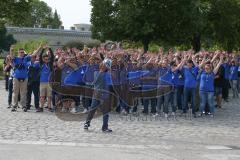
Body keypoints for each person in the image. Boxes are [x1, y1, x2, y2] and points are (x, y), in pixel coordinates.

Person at [84, 59, 113, 133]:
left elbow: (112, 78)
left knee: (105, 112)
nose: (104, 66)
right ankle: (87, 123)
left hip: (103, 94)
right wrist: (105, 69)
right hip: (98, 94)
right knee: (93, 110)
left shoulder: (107, 74)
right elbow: (96, 80)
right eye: (104, 65)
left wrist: (108, 68)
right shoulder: (96, 72)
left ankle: (104, 127)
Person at [10, 46, 32, 112]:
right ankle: (14, 105)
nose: (22, 53)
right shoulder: (16, 58)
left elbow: (34, 54)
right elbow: (11, 56)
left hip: (25, 77)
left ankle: (23, 106)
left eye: (23, 52)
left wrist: (40, 47)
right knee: (15, 92)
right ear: (18, 52)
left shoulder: (26, 58)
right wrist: (11, 50)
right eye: (20, 52)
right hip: (16, 77)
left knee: (23, 93)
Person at [37, 46, 54, 112]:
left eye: (47, 59)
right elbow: (40, 56)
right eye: (45, 59)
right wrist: (43, 49)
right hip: (42, 82)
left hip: (49, 82)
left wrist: (49, 48)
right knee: (42, 96)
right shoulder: (41, 64)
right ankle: (41, 107)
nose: (46, 60)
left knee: (49, 96)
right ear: (43, 59)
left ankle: (49, 107)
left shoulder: (50, 64)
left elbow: (52, 56)